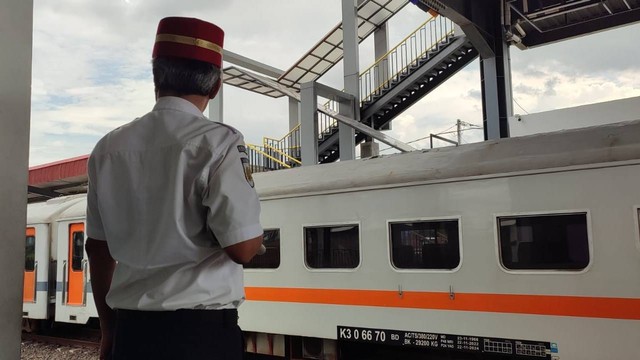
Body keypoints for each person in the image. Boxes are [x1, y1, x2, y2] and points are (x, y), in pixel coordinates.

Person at [85, 16, 264, 360]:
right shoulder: (219, 143)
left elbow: (98, 249)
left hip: (132, 335)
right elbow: (242, 248)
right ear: (215, 87)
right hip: (200, 337)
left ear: (156, 76)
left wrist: (109, 331)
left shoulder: (107, 149)